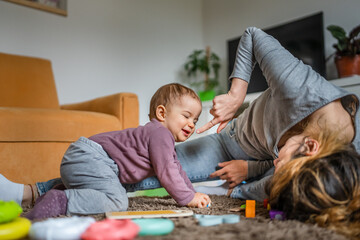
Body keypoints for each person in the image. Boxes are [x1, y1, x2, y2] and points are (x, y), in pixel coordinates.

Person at [0, 83, 211, 219]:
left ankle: (43, 193)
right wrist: (186, 198)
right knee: (117, 201)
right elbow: (167, 172)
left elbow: (176, 168)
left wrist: (192, 192)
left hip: (85, 157)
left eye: (195, 119)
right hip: (92, 157)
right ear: (162, 113)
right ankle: (61, 200)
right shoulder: (160, 134)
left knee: (98, 188)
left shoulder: (159, 136)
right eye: (186, 116)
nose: (191, 124)